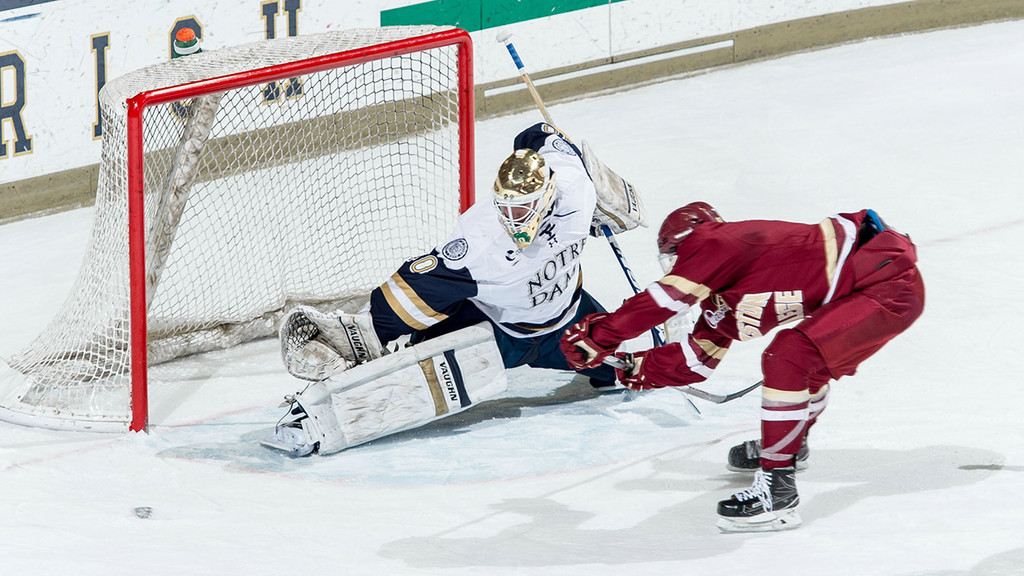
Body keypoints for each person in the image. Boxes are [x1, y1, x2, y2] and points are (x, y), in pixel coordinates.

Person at [559, 201, 925, 532]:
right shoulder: (722, 297)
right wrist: (629, 366)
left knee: (789, 356)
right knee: (804, 364)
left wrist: (600, 336)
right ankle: (789, 446)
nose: (676, 267)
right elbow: (695, 362)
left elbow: (667, 299)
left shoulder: (718, 241)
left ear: (689, 241)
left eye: (676, 256)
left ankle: (778, 492)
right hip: (871, 294)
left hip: (888, 284)